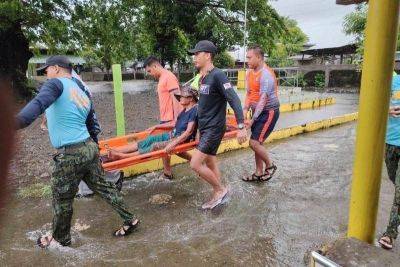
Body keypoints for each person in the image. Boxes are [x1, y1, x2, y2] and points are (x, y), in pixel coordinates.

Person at [16, 55, 139, 248]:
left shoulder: (55, 84)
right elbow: (92, 124)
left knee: (62, 199)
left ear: (56, 68)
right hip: (88, 147)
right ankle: (130, 219)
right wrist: (95, 149)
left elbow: (38, 104)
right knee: (104, 188)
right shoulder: (81, 89)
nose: (45, 74)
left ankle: (60, 240)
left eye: (46, 70)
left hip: (69, 154)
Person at [188, 40, 247, 210]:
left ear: (207, 55)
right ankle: (220, 193)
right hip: (206, 128)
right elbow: (203, 105)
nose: (194, 58)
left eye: (197, 54)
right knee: (211, 162)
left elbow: (233, 99)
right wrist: (198, 129)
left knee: (195, 164)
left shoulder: (218, 75)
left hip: (214, 128)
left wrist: (241, 126)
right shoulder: (203, 77)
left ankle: (219, 189)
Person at [108, 86, 198, 175]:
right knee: (150, 139)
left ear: (190, 99)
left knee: (155, 146)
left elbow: (188, 132)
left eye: (182, 96)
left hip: (181, 140)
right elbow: (174, 124)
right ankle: (118, 151)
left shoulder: (194, 110)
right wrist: (156, 127)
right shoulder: (185, 110)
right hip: (172, 135)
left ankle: (122, 156)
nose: (180, 99)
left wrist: (173, 143)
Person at [143, 56, 187, 178]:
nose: (150, 74)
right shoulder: (163, 78)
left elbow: (177, 99)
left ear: (155, 66)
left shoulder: (169, 77)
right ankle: (167, 172)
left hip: (170, 119)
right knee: (167, 147)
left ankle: (193, 160)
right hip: (165, 118)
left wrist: (177, 120)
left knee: (170, 147)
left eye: (150, 71)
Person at [242, 45, 280, 182]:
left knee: (254, 142)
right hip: (256, 111)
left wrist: (252, 120)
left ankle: (270, 166)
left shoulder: (266, 75)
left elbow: (263, 100)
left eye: (249, 57)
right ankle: (258, 172)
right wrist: (245, 110)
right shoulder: (249, 73)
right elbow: (249, 93)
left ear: (258, 57)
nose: (247, 60)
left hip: (268, 112)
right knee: (257, 142)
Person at [379, 73, 400, 250]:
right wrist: (387, 109)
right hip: (391, 142)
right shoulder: (392, 81)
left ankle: (390, 234)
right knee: (394, 180)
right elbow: (375, 103)